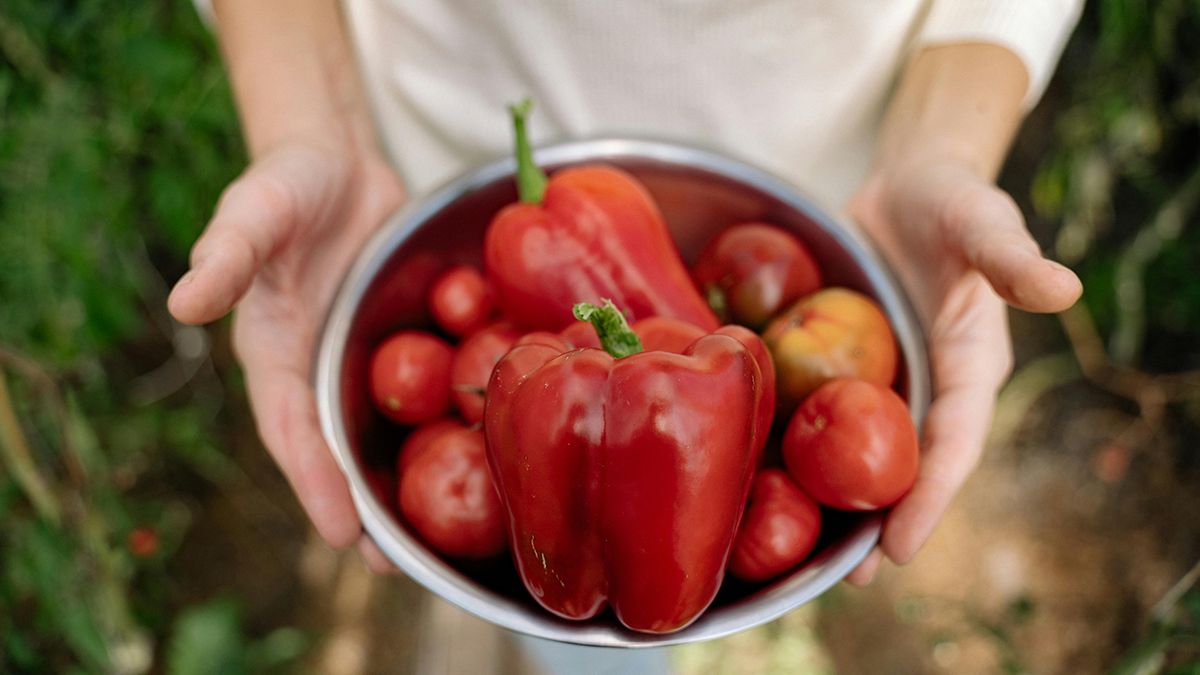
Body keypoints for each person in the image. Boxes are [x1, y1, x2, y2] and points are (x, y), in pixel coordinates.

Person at [168, 0, 1084, 670]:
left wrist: (941, 149)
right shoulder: (695, 360)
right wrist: (309, 121)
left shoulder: (682, 359)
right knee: (587, 640)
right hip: (421, 160)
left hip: (835, 176)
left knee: (614, 615)